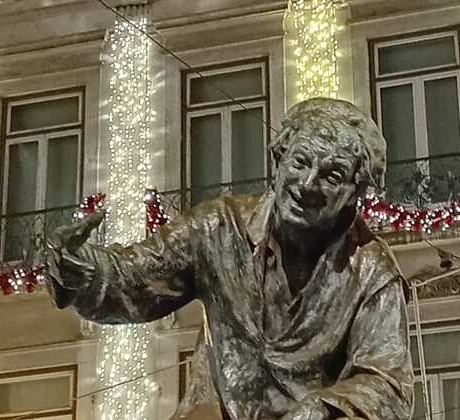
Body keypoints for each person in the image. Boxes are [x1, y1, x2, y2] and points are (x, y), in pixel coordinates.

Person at [47, 98, 413, 420]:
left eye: (331, 176)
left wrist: (321, 408)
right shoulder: (217, 228)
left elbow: (386, 383)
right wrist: (79, 266)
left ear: (355, 193)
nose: (307, 185)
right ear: (278, 159)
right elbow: (136, 278)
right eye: (300, 162)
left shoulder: (371, 270)